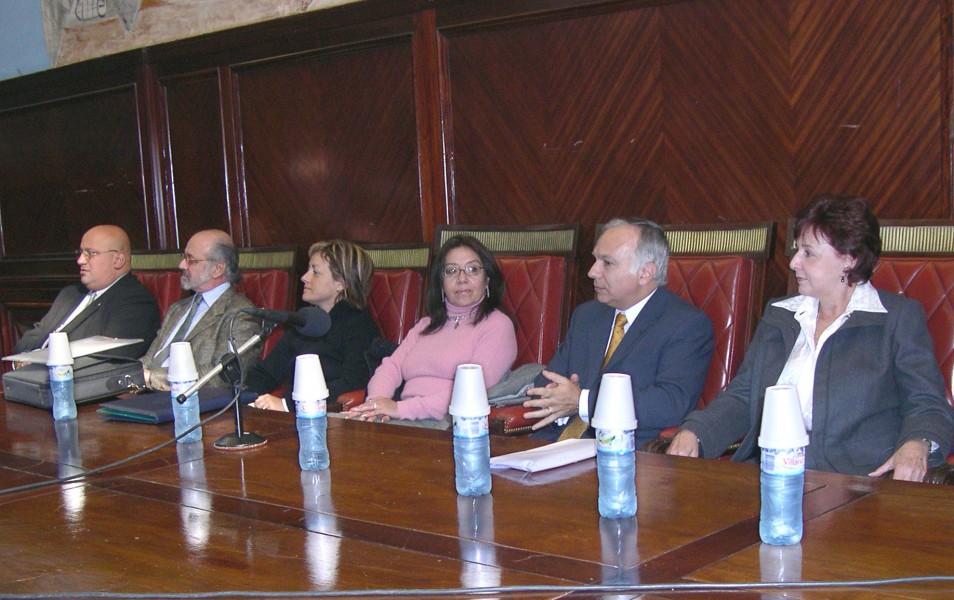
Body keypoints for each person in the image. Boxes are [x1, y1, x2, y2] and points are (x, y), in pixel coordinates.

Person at [668, 194, 954, 482]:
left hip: (858, 484)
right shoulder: (781, 315)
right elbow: (744, 395)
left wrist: (918, 443)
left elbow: (927, 404)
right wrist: (697, 431)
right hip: (771, 475)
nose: (793, 262)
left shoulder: (896, 319)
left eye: (808, 253)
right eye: (796, 250)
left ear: (849, 259)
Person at [524, 218, 715, 448]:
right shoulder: (587, 316)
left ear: (645, 273)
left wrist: (581, 401)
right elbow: (542, 387)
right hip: (552, 446)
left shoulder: (686, 325)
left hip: (626, 454)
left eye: (607, 263)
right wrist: (559, 399)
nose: (592, 272)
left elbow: (670, 404)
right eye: (595, 260)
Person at [345, 235, 518, 426]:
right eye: (451, 271)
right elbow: (391, 367)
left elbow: (471, 391)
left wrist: (400, 409)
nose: (462, 278)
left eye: (472, 269)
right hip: (401, 419)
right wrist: (375, 405)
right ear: (441, 284)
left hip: (445, 424)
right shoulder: (426, 325)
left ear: (487, 280)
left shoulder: (497, 325)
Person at [245, 240, 380, 412]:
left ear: (341, 284)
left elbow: (352, 383)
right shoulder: (306, 320)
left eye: (315, 272)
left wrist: (288, 405)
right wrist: (240, 398)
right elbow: (268, 373)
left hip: (327, 418)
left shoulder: (360, 327)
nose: (304, 277)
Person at [14, 224, 160, 358]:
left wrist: (42, 359)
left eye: (90, 253)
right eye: (80, 252)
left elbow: (109, 358)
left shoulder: (134, 301)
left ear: (118, 260)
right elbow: (26, 342)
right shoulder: (70, 294)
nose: (80, 260)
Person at [140, 230, 261, 391]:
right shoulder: (178, 308)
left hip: (193, 404)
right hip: (146, 395)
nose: (181, 265)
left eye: (191, 260)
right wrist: (126, 376)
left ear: (217, 268)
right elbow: (150, 360)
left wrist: (151, 378)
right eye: (183, 257)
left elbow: (221, 376)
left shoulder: (240, 313)